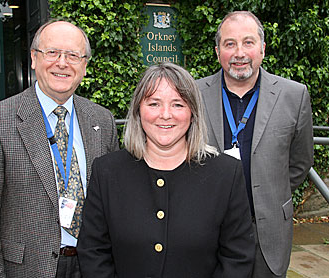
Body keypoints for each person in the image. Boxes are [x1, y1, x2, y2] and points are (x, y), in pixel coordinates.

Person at [0, 19, 119, 278]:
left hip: (94, 265)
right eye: (52, 52)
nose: (62, 63)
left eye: (72, 55)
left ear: (85, 65)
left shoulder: (101, 120)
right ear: (34, 58)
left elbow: (114, 203)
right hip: (29, 269)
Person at [77, 62, 255, 277]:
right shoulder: (107, 172)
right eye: (154, 103)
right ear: (138, 111)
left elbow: (237, 258)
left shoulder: (226, 174)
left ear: (193, 113)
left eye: (178, 104)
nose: (165, 114)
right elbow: (93, 253)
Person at [196, 11, 314, 278]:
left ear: (262, 48)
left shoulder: (294, 96)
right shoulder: (193, 94)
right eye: (230, 44)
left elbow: (300, 161)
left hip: (268, 232)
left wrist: (269, 194)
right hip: (207, 231)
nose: (239, 52)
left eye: (248, 42)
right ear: (217, 51)